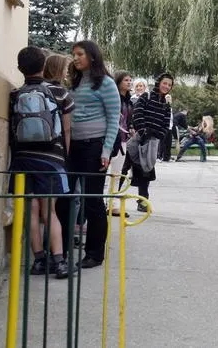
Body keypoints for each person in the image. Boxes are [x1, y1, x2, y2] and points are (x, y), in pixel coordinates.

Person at [9, 47, 74, 279]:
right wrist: (65, 158)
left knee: (31, 209)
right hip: (51, 159)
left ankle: (38, 260)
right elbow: (66, 129)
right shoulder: (60, 93)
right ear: (43, 66)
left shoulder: (15, 94)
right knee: (49, 210)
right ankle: (59, 262)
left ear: (20, 68)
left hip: (22, 159)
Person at [55, 40, 120, 269]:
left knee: (92, 200)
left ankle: (94, 254)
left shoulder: (106, 84)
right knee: (64, 198)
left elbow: (114, 118)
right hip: (72, 146)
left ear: (92, 56)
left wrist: (106, 150)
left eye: (80, 54)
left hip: (95, 147)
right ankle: (60, 252)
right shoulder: (74, 82)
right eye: (74, 54)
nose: (75, 58)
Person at [129, 73, 174, 212]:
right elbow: (137, 114)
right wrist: (143, 131)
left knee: (146, 171)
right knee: (123, 169)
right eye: (164, 83)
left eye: (169, 85)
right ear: (159, 82)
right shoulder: (146, 96)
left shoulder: (166, 104)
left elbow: (166, 123)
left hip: (152, 142)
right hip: (139, 139)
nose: (166, 86)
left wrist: (159, 135)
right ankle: (113, 202)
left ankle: (143, 202)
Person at [109, 71, 133, 217]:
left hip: (123, 139)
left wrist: (131, 128)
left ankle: (113, 204)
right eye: (126, 80)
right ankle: (106, 202)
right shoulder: (114, 98)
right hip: (112, 139)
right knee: (108, 173)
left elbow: (128, 119)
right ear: (118, 82)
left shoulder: (128, 100)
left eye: (130, 80)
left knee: (117, 173)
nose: (129, 83)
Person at [158, 94, 174, 162]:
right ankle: (160, 156)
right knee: (162, 143)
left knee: (168, 143)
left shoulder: (171, 108)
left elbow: (171, 119)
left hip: (170, 127)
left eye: (169, 98)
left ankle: (167, 157)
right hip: (164, 127)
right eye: (167, 98)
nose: (168, 99)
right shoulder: (163, 106)